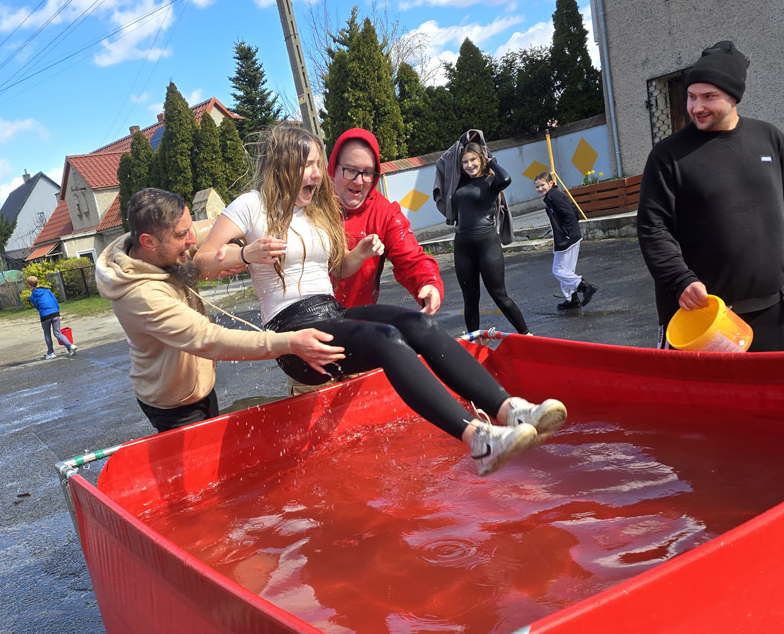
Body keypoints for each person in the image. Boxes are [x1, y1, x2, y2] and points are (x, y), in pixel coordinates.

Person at [198, 126, 567, 476]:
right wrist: (246, 254)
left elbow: (336, 272)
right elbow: (203, 261)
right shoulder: (252, 205)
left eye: (317, 164)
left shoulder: (316, 210)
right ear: (284, 164)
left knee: (416, 323)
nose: (317, 174)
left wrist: (361, 259)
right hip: (291, 332)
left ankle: (511, 409)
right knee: (386, 338)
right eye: (310, 165)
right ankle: (479, 441)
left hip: (332, 313)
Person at [96, 188, 345, 433]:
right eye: (183, 235)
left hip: (197, 384)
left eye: (190, 229)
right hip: (173, 403)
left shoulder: (156, 244)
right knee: (197, 468)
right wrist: (289, 342)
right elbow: (208, 339)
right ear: (148, 242)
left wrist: (236, 248)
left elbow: (212, 229)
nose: (192, 241)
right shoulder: (142, 296)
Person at [637, 40, 784, 351]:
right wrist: (681, 279)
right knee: (702, 399)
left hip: (766, 307)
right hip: (697, 313)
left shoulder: (769, 138)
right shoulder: (668, 155)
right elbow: (653, 228)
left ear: (733, 98)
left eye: (709, 97)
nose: (696, 107)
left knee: (770, 395)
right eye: (691, 96)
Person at [328, 128, 443, 314]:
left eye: (367, 173)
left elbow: (411, 258)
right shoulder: (311, 207)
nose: (358, 181)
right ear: (333, 167)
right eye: (350, 170)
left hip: (357, 325)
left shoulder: (385, 213)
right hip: (304, 328)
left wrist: (429, 283)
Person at [435, 129, 530, 335]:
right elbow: (443, 162)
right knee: (470, 297)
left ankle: (527, 335)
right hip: (462, 245)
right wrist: (461, 145)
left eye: (473, 160)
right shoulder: (458, 182)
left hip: (487, 243)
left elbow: (506, 178)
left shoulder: (491, 181)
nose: (469, 165)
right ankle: (474, 339)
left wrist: (490, 159)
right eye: (465, 162)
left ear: (481, 159)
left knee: (499, 294)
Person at [534, 171, 598, 311]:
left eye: (542, 185)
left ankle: (585, 287)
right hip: (568, 236)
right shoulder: (553, 195)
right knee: (566, 271)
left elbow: (569, 214)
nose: (540, 189)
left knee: (558, 270)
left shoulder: (553, 196)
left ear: (551, 183)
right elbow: (573, 210)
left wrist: (568, 233)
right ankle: (572, 300)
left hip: (567, 238)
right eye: (537, 187)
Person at [26, 275, 77, 359]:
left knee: (47, 334)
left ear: (29, 285)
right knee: (57, 332)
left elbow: (37, 307)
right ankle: (70, 346)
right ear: (37, 282)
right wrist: (58, 313)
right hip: (55, 313)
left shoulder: (32, 296)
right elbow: (55, 301)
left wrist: (44, 312)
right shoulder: (47, 291)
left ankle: (51, 353)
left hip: (44, 315)